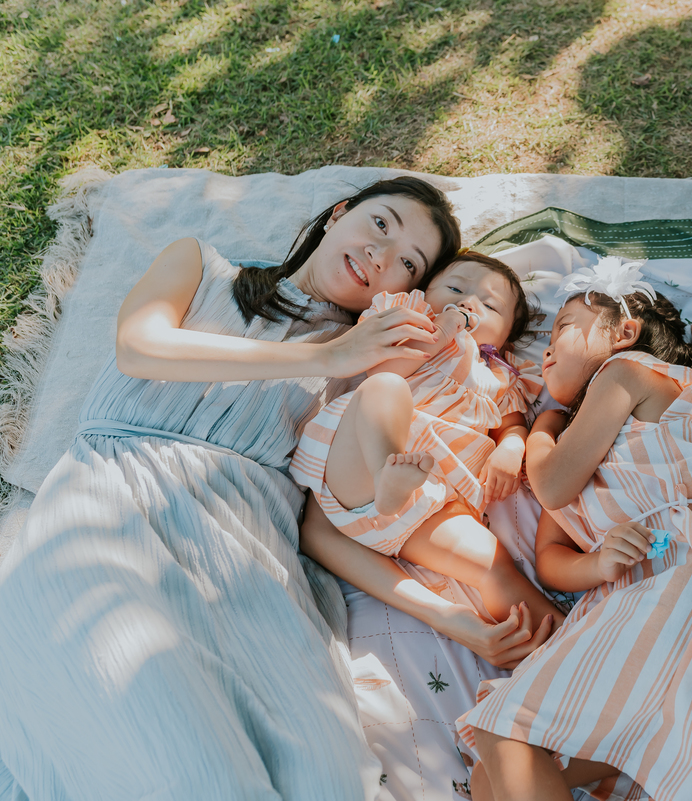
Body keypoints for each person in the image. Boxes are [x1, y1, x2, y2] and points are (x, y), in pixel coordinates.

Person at [0, 177, 550, 801]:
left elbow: (321, 528)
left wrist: (454, 619)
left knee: (330, 777)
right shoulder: (199, 265)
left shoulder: (374, 367)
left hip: (251, 555)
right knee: (188, 768)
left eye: (407, 264)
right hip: (116, 503)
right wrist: (327, 359)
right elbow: (139, 347)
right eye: (381, 225)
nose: (382, 256)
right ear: (339, 213)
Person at [458, 258, 692, 801]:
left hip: (691, 564)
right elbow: (551, 559)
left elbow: (554, 485)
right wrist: (598, 563)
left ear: (625, 334)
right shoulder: (577, 445)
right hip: (630, 589)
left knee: (503, 732)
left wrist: (541, 423)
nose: (546, 350)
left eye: (562, 329)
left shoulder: (628, 376)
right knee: (487, 775)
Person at [290, 251, 563, 627]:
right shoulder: (409, 319)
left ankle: (565, 640)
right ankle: (387, 473)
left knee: (491, 563)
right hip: (357, 468)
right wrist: (443, 329)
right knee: (387, 387)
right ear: (423, 291)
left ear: (504, 339)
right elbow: (386, 367)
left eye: (490, 306)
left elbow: (513, 424)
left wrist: (512, 445)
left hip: (429, 502)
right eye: (455, 288)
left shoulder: (501, 376)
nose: (469, 302)